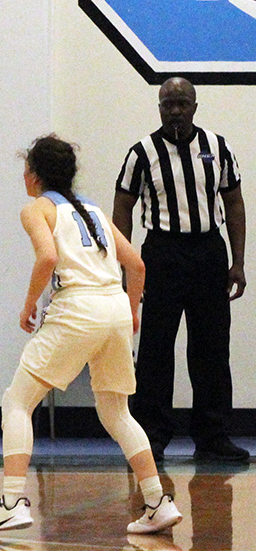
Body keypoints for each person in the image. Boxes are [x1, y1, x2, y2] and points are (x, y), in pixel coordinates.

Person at [0, 135, 182, 535]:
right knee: (116, 412)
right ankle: (156, 501)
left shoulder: (37, 208)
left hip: (78, 307)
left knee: (16, 401)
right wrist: (132, 311)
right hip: (115, 307)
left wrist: (29, 304)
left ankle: (12, 503)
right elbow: (136, 265)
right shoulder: (95, 210)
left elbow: (47, 257)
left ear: (33, 174)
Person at [113, 77, 248, 463]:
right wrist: (126, 263)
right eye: (167, 103)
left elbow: (234, 203)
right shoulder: (142, 153)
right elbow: (123, 205)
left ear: (194, 106)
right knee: (156, 347)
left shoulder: (217, 147)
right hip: (162, 253)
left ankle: (213, 437)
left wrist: (237, 261)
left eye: (182, 103)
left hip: (208, 252)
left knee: (211, 347)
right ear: (159, 108)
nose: (175, 110)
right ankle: (151, 437)